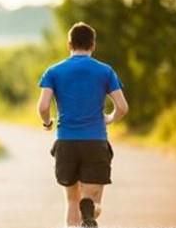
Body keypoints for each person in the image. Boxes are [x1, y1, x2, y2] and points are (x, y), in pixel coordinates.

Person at [37, 22, 129, 227]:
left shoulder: (54, 71)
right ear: (93, 45)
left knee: (71, 202)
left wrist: (48, 122)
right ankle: (90, 212)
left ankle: (83, 214)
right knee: (92, 202)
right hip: (95, 142)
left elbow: (43, 106)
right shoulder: (105, 71)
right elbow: (122, 107)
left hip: (66, 143)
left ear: (69, 44)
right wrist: (110, 118)